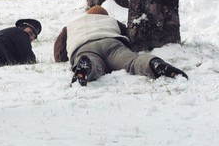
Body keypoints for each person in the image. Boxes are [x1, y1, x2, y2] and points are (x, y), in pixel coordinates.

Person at [54, 6, 188, 86]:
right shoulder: (111, 20)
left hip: (84, 47)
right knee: (132, 62)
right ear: (105, 15)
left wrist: (62, 58)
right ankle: (153, 63)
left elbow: (59, 52)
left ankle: (86, 67)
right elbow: (129, 35)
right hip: (112, 43)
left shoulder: (71, 25)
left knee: (95, 65)